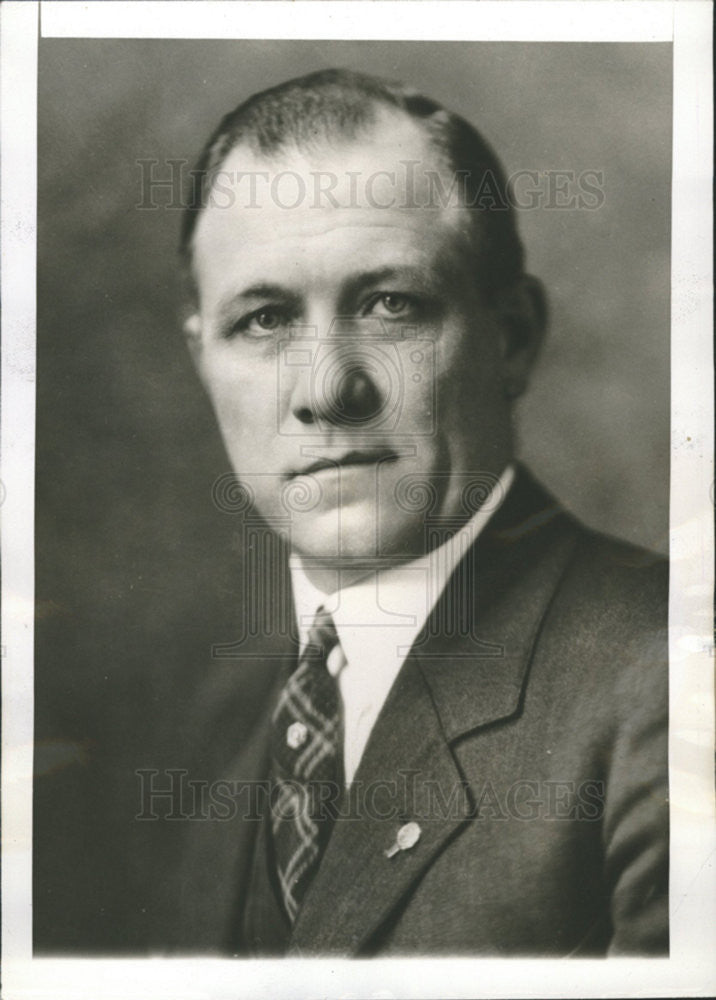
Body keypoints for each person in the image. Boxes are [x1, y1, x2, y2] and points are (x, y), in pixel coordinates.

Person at [161, 68, 668, 957]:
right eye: (266, 318)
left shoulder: (670, 688)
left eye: (390, 304)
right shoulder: (225, 712)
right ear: (205, 357)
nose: (326, 388)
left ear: (511, 337)